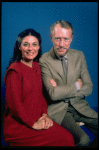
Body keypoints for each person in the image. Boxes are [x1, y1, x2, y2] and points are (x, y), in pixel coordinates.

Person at [3, 29, 75, 146]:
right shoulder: (14, 71)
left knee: (67, 138)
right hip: (20, 127)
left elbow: (40, 95)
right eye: (26, 44)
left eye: (34, 44)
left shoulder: (36, 66)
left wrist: (45, 115)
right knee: (66, 140)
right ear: (19, 46)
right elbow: (15, 105)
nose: (31, 48)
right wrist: (33, 124)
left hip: (38, 118)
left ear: (38, 47)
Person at [39, 20, 98, 146]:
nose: (61, 44)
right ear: (51, 38)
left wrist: (60, 90)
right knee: (84, 140)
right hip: (60, 111)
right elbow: (53, 95)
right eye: (57, 39)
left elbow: (89, 88)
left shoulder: (79, 55)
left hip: (80, 106)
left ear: (71, 38)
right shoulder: (44, 60)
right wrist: (77, 86)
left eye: (66, 39)